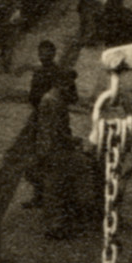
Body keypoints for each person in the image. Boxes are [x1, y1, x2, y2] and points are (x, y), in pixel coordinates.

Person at [34, 69, 85, 239]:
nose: (71, 86)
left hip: (49, 148)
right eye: (69, 83)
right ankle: (56, 226)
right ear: (61, 83)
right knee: (55, 187)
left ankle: (56, 224)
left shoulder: (52, 98)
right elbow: (57, 131)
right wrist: (73, 140)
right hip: (54, 150)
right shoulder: (54, 101)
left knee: (54, 187)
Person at [22, 41, 68, 208]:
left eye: (47, 53)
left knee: (51, 159)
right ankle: (39, 195)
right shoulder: (39, 72)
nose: (43, 57)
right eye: (41, 53)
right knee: (36, 158)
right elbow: (32, 97)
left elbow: (69, 97)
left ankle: (51, 198)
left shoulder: (58, 74)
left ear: (53, 54)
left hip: (53, 122)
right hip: (38, 119)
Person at [0, 0, 23, 72]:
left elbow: (17, 17)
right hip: (4, 28)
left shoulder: (6, 4)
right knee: (6, 47)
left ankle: (6, 64)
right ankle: (6, 64)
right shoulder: (3, 5)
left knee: (6, 47)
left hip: (6, 28)